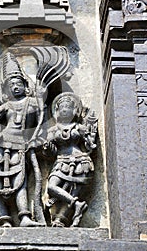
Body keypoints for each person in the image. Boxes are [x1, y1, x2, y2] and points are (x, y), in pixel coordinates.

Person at [0, 52, 45, 227]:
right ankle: (3, 217)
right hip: (0, 144)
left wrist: (40, 97)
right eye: (11, 85)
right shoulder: (7, 105)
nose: (15, 87)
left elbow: (41, 121)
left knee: (20, 180)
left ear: (25, 85)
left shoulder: (32, 102)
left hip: (20, 145)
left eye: (18, 83)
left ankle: (24, 217)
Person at [43, 92, 96, 227]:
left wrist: (90, 136)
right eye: (61, 107)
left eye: (68, 106)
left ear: (75, 110)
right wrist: (46, 147)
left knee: (74, 190)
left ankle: (60, 219)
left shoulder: (79, 127)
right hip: (61, 162)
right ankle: (77, 204)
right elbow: (50, 153)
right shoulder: (53, 130)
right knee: (51, 187)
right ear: (57, 111)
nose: (65, 109)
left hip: (80, 162)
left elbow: (89, 146)